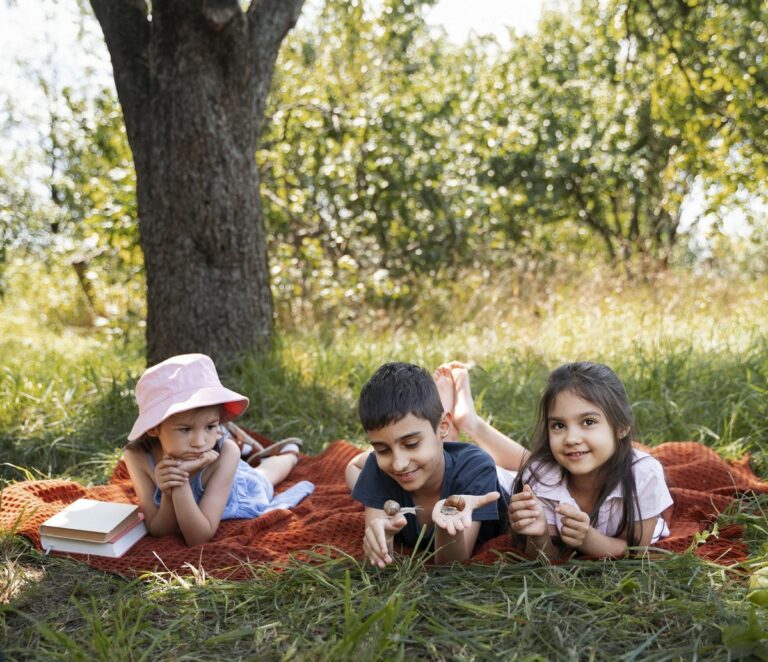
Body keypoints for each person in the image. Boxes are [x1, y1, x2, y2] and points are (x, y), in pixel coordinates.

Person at [123, 353, 314, 546]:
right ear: (154, 427)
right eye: (185, 429)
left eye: (210, 426)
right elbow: (159, 530)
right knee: (260, 469)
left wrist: (180, 482)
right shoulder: (137, 457)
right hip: (213, 470)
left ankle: (289, 452)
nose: (199, 442)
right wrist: (169, 490)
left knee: (265, 476)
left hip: (238, 489)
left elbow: (198, 537)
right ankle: (243, 443)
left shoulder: (226, 453)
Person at [508, 362, 673, 560]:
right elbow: (548, 559)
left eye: (588, 422)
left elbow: (637, 552)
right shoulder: (540, 476)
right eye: (559, 425)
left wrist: (588, 539)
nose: (571, 439)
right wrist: (539, 535)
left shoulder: (643, 474)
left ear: (621, 426)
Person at [348, 361, 507, 567]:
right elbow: (379, 555)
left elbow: (452, 564)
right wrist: (381, 543)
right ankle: (443, 417)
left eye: (411, 444)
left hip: (505, 477)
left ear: (443, 426)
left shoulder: (476, 468)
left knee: (534, 464)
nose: (399, 464)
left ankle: (466, 418)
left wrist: (446, 524)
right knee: (351, 467)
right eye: (383, 449)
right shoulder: (378, 468)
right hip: (438, 454)